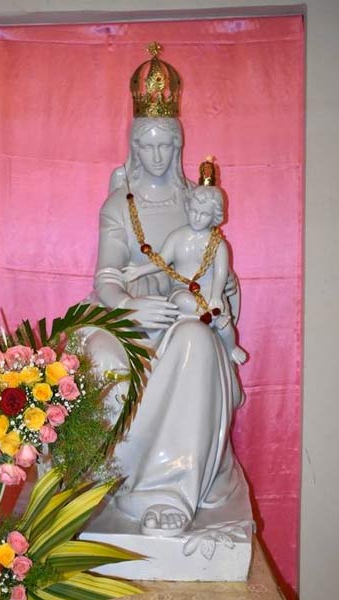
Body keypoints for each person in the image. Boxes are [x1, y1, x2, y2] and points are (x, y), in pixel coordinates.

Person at [88, 45, 247, 537]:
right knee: (103, 356)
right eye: (146, 147)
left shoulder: (196, 201)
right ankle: (112, 479)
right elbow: (106, 277)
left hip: (187, 316)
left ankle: (168, 490)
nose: (156, 157)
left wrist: (223, 294)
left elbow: (217, 267)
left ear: (178, 146)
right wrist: (130, 308)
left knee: (194, 342)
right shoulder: (119, 206)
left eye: (165, 146)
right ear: (133, 148)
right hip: (131, 318)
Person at [122, 183, 247, 365]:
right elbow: (161, 261)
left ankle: (231, 348)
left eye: (204, 214)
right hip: (183, 289)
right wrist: (139, 271)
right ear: (187, 207)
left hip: (211, 291)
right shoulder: (177, 237)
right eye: (194, 211)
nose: (197, 218)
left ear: (214, 217)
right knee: (182, 301)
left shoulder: (218, 244)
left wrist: (215, 297)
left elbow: (220, 273)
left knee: (226, 326)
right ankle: (211, 318)